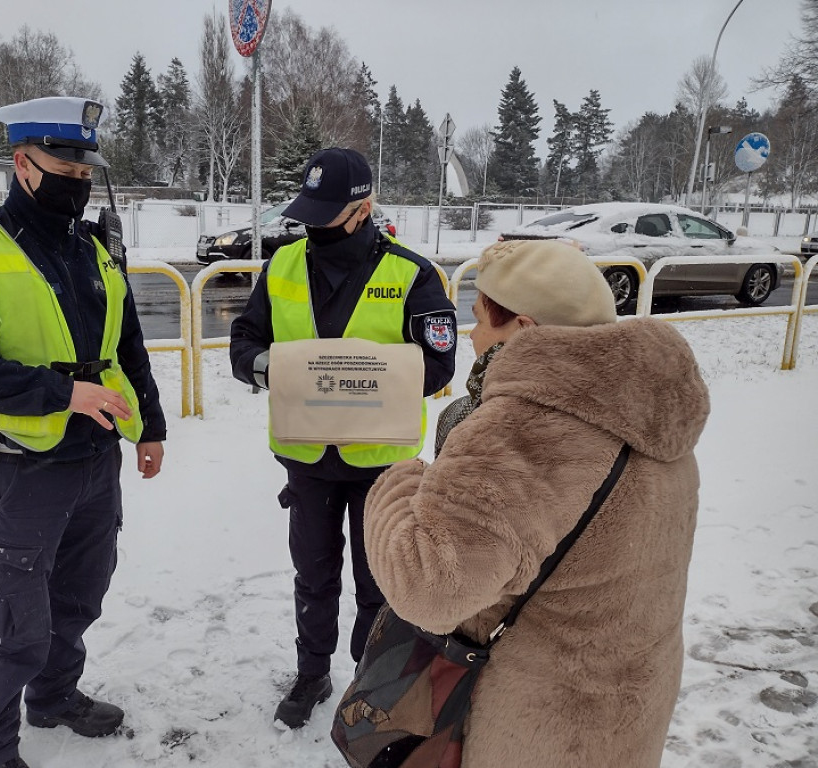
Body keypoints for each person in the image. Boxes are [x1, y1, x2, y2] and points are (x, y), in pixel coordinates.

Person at [362, 239, 710, 768]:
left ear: (522, 329)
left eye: (480, 319)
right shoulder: (650, 407)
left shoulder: (523, 430)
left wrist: (401, 483)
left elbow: (428, 587)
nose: (471, 335)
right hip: (631, 711)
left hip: (533, 724)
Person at [0, 96, 166, 768]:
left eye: (87, 168)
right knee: (9, 621)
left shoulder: (94, 248)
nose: (80, 179)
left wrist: (150, 427)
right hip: (21, 464)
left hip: (96, 457)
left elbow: (129, 345)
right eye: (65, 165)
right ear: (22, 164)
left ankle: (55, 697)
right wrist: (61, 393)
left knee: (79, 593)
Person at [230, 147, 457, 729]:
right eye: (309, 210)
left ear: (363, 208)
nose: (313, 224)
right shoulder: (281, 265)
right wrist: (273, 368)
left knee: (378, 581)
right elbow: (244, 342)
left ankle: (370, 683)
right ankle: (312, 673)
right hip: (307, 459)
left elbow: (439, 366)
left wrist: (363, 375)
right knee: (313, 574)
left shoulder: (412, 274)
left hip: (381, 465)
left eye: (327, 212)